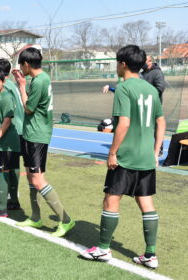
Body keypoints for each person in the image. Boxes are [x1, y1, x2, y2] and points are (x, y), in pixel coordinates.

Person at [80, 45, 166, 269]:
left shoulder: (124, 88)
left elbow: (124, 123)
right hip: (146, 157)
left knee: (111, 198)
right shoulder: (150, 90)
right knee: (146, 202)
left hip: (126, 157)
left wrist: (112, 152)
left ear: (123, 64)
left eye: (117, 62)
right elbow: (161, 122)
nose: (116, 66)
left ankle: (103, 248)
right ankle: (151, 254)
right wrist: (156, 152)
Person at [12, 47, 74, 237]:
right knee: (31, 177)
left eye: (21, 65)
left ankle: (66, 220)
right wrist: (23, 82)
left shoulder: (39, 81)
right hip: (31, 133)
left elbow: (28, 108)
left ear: (26, 64)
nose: (20, 69)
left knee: (38, 180)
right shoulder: (39, 78)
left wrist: (21, 86)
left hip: (37, 135)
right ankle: (36, 217)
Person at [0, 69, 21, 217]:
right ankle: (13, 202)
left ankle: (1, 209)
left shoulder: (6, 97)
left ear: (3, 81)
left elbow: (7, 120)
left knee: (3, 173)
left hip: (6, 142)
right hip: (9, 141)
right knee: (12, 171)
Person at [0, 58, 23, 210]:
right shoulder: (11, 84)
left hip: (12, 129)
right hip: (18, 127)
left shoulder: (6, 87)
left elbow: (8, 115)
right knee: (13, 164)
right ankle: (13, 194)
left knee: (9, 165)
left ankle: (13, 194)